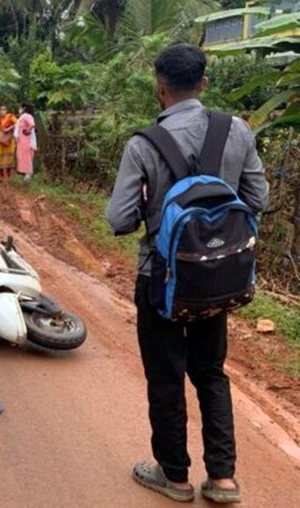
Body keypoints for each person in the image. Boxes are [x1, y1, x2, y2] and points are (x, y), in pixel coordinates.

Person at [106, 44, 269, 504]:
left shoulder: (143, 144)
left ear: (159, 86)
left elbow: (119, 220)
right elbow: (259, 197)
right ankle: (222, 479)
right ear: (205, 83)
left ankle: (174, 477)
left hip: (161, 281)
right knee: (211, 371)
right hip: (218, 280)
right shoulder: (235, 130)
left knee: (165, 375)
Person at [0, 105, 17, 181]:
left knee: (9, 159)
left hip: (9, 142)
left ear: (6, 110)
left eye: (4, 109)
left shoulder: (10, 117)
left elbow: (18, 123)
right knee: (0, 160)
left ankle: (9, 176)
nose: (3, 111)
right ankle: (1, 176)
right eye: (1, 110)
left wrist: (9, 128)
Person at [15, 103, 36, 182]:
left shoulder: (27, 116)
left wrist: (27, 131)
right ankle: (25, 174)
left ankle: (28, 174)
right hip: (22, 141)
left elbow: (32, 124)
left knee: (27, 157)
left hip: (26, 141)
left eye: (21, 107)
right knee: (22, 156)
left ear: (24, 108)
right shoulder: (23, 117)